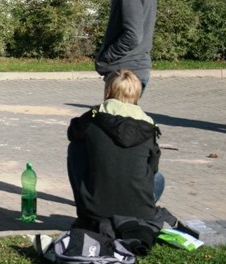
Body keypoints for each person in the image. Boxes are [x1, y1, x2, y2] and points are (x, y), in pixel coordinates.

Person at [67, 69, 165, 254]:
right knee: (159, 178)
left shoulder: (92, 120)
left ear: (107, 93)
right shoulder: (148, 127)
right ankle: (134, 208)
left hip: (96, 209)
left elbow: (72, 132)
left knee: (76, 149)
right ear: (137, 95)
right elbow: (152, 168)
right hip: (141, 211)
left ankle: (90, 205)